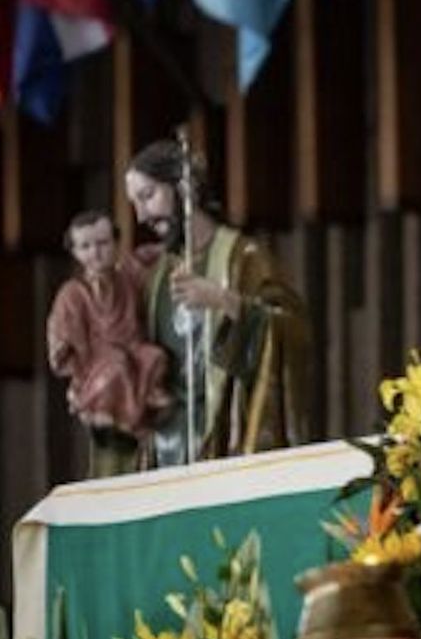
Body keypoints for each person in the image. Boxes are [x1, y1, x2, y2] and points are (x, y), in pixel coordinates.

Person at [124, 139, 312, 466]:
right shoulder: (157, 275)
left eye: (147, 196)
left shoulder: (244, 258)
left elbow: (293, 330)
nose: (141, 216)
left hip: (227, 436)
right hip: (169, 445)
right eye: (135, 203)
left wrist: (224, 300)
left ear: (185, 188)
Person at [47, 211, 171, 477]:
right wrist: (64, 347)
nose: (96, 253)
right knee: (117, 366)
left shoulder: (127, 275)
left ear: (116, 243)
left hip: (134, 352)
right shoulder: (73, 292)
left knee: (155, 358)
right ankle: (112, 413)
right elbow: (63, 329)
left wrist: (167, 247)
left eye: (103, 243)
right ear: (75, 252)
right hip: (100, 366)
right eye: (86, 246)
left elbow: (150, 258)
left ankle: (143, 398)